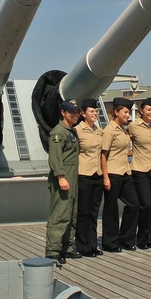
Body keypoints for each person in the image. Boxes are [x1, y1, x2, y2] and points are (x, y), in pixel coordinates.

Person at [100, 97, 139, 252]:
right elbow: (103, 155)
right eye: (125, 112)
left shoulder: (123, 130)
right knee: (111, 209)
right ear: (116, 112)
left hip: (125, 172)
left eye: (128, 112)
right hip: (113, 172)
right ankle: (110, 242)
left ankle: (125, 239)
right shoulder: (109, 130)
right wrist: (105, 177)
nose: (127, 115)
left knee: (134, 204)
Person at [46, 100, 81, 265]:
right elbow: (55, 157)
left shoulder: (71, 131)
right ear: (63, 112)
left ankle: (66, 247)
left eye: (77, 112)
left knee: (71, 214)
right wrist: (60, 176)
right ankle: (53, 250)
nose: (75, 114)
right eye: (71, 112)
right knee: (60, 214)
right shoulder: (58, 133)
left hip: (73, 178)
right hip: (64, 178)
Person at [129, 97, 151, 249]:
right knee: (145, 203)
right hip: (140, 169)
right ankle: (141, 237)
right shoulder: (133, 126)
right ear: (141, 111)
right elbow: (123, 143)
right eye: (148, 110)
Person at [74, 98, 105, 257]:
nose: (95, 113)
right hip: (84, 174)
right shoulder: (77, 131)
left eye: (96, 111)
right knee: (83, 212)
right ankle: (82, 245)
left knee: (94, 212)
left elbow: (102, 154)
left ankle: (92, 244)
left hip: (97, 175)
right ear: (83, 113)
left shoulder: (99, 131)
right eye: (92, 111)